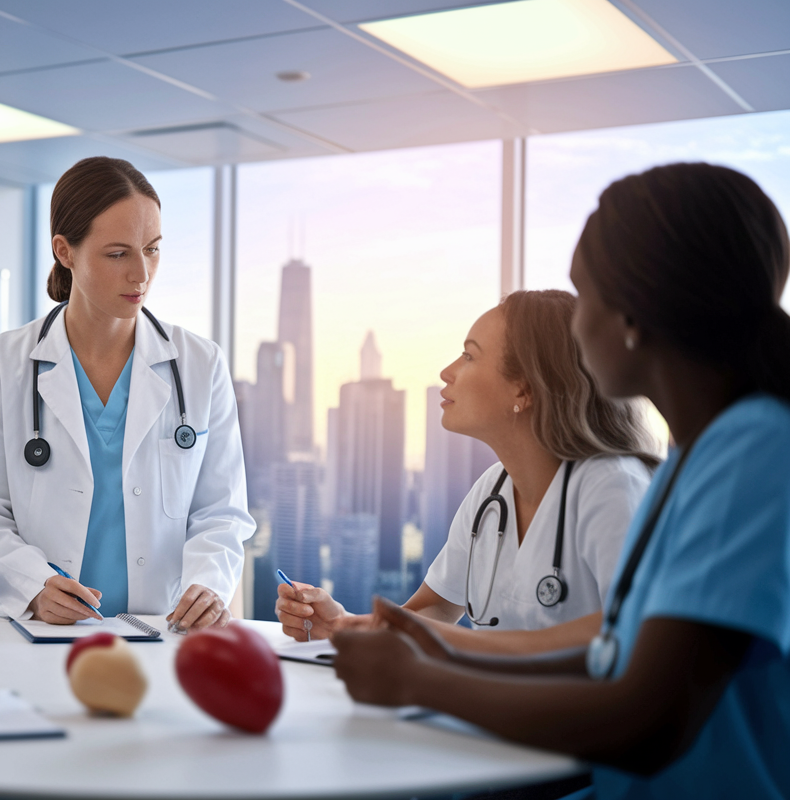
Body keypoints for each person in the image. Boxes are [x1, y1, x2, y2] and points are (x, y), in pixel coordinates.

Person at [331, 162, 790, 798]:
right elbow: (615, 652)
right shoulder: (694, 462)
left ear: (633, 314)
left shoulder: (749, 453)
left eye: (586, 297)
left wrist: (422, 681)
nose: (574, 330)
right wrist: (427, 647)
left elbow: (648, 720)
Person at [0, 157, 255, 630]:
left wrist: (209, 584)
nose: (141, 274)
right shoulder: (2, 364)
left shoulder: (199, 365)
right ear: (65, 252)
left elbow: (222, 511)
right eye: (118, 254)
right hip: (46, 631)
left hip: (164, 629)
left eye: (152, 249)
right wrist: (32, 585)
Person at [278, 291, 656, 654]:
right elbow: (432, 611)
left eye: (468, 356)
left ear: (523, 390)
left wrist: (467, 648)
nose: (447, 372)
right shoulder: (492, 489)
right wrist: (344, 626)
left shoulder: (613, 486)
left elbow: (633, 630)